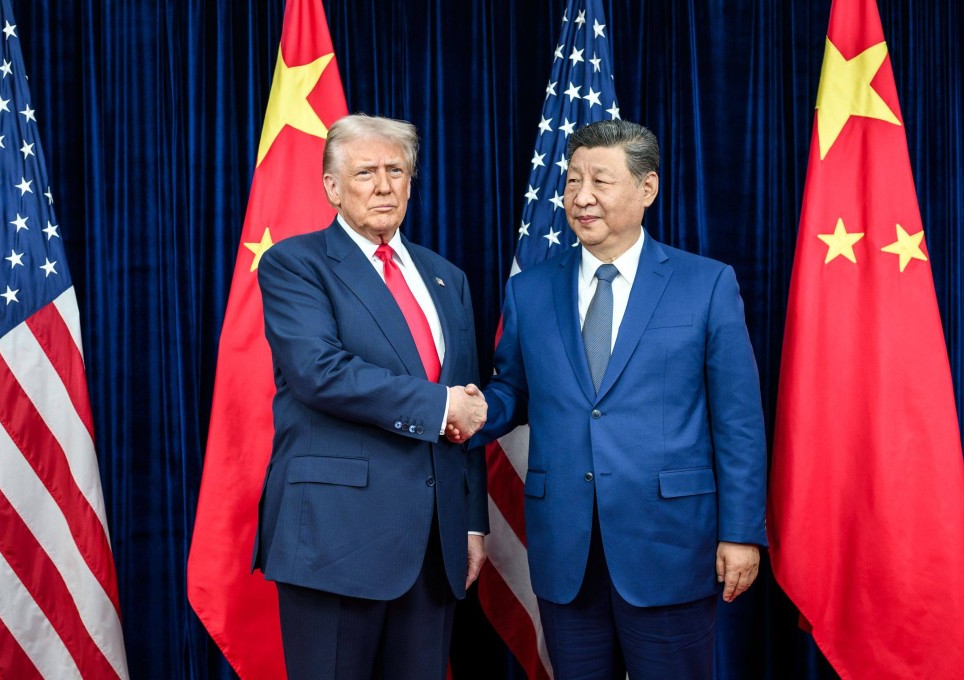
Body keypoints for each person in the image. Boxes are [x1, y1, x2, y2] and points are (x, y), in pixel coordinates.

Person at [473, 119, 767, 679]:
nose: (581, 197)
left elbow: (739, 424)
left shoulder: (706, 284)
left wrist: (741, 533)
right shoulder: (529, 290)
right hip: (566, 551)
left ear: (646, 188)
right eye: (572, 180)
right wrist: (472, 412)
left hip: (670, 547)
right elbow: (514, 389)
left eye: (600, 181)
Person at [251, 113, 489, 680]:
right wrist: (439, 407)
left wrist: (471, 521)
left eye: (395, 171)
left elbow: (468, 406)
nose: (383, 186)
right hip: (335, 540)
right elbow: (319, 372)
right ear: (332, 187)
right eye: (365, 173)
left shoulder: (447, 278)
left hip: (434, 548)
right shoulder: (294, 264)